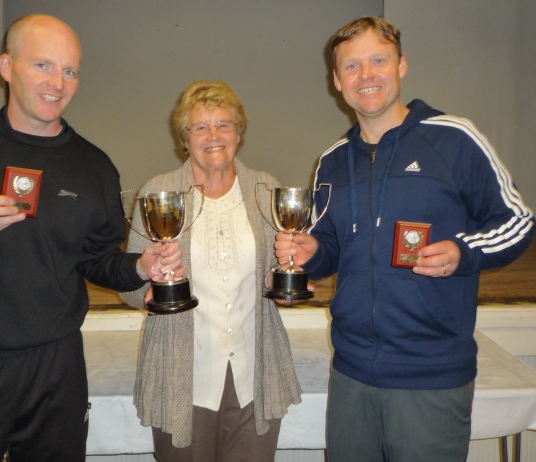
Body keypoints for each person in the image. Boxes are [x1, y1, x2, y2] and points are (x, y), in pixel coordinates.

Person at [0, 14, 181, 462]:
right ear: (6, 67)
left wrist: (139, 268)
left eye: (70, 71)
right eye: (43, 65)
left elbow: (96, 259)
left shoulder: (93, 165)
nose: (58, 83)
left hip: (55, 369)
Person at [274, 16, 535, 462]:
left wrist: (462, 252)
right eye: (352, 66)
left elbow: (518, 221)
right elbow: (329, 246)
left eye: (379, 60)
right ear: (337, 81)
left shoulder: (454, 139)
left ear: (402, 65)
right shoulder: (332, 161)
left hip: (431, 375)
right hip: (352, 373)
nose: (366, 75)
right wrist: (310, 254)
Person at [121, 80, 301, 461]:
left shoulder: (264, 189)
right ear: (184, 138)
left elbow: (275, 270)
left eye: (224, 124)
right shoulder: (159, 191)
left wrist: (285, 273)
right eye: (200, 127)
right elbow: (129, 286)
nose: (214, 135)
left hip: (255, 375)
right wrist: (149, 283)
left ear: (240, 133)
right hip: (182, 375)